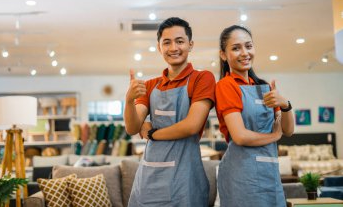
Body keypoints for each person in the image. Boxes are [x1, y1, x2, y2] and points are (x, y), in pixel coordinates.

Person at [124, 17, 215, 207]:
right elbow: (132, 127)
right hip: (150, 177)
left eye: (180, 41)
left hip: (186, 178)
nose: (173, 48)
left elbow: (192, 125)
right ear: (159, 47)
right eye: (167, 42)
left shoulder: (202, 78)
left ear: (190, 45)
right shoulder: (150, 85)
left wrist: (151, 133)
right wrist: (129, 100)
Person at [215, 25, 295, 207]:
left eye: (248, 46)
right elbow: (240, 136)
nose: (244, 53)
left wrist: (285, 105)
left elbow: (288, 130)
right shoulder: (226, 86)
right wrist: (274, 136)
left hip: (270, 172)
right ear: (223, 54)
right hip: (242, 174)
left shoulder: (264, 86)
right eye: (236, 48)